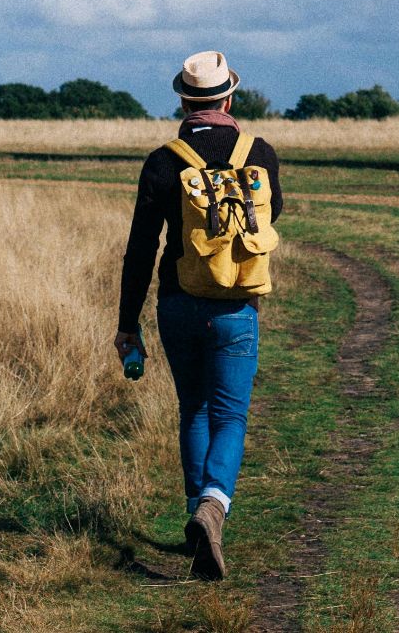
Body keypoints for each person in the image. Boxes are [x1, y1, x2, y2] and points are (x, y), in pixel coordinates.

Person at [116, 50, 282, 581]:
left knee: (194, 409)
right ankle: (214, 506)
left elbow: (141, 249)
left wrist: (126, 324)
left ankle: (197, 519)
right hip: (236, 306)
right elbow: (271, 215)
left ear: (184, 103)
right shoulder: (260, 154)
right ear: (229, 99)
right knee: (231, 415)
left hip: (178, 302)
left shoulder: (163, 161)